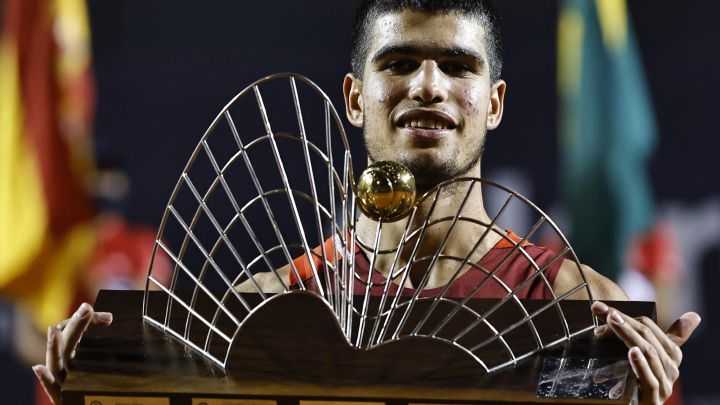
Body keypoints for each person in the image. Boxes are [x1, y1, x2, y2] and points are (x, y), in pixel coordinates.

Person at [33, 1, 701, 404]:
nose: (429, 86)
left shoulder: (576, 307)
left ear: (494, 104)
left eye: (459, 66)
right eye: (400, 63)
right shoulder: (265, 303)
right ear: (355, 97)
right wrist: (92, 394)